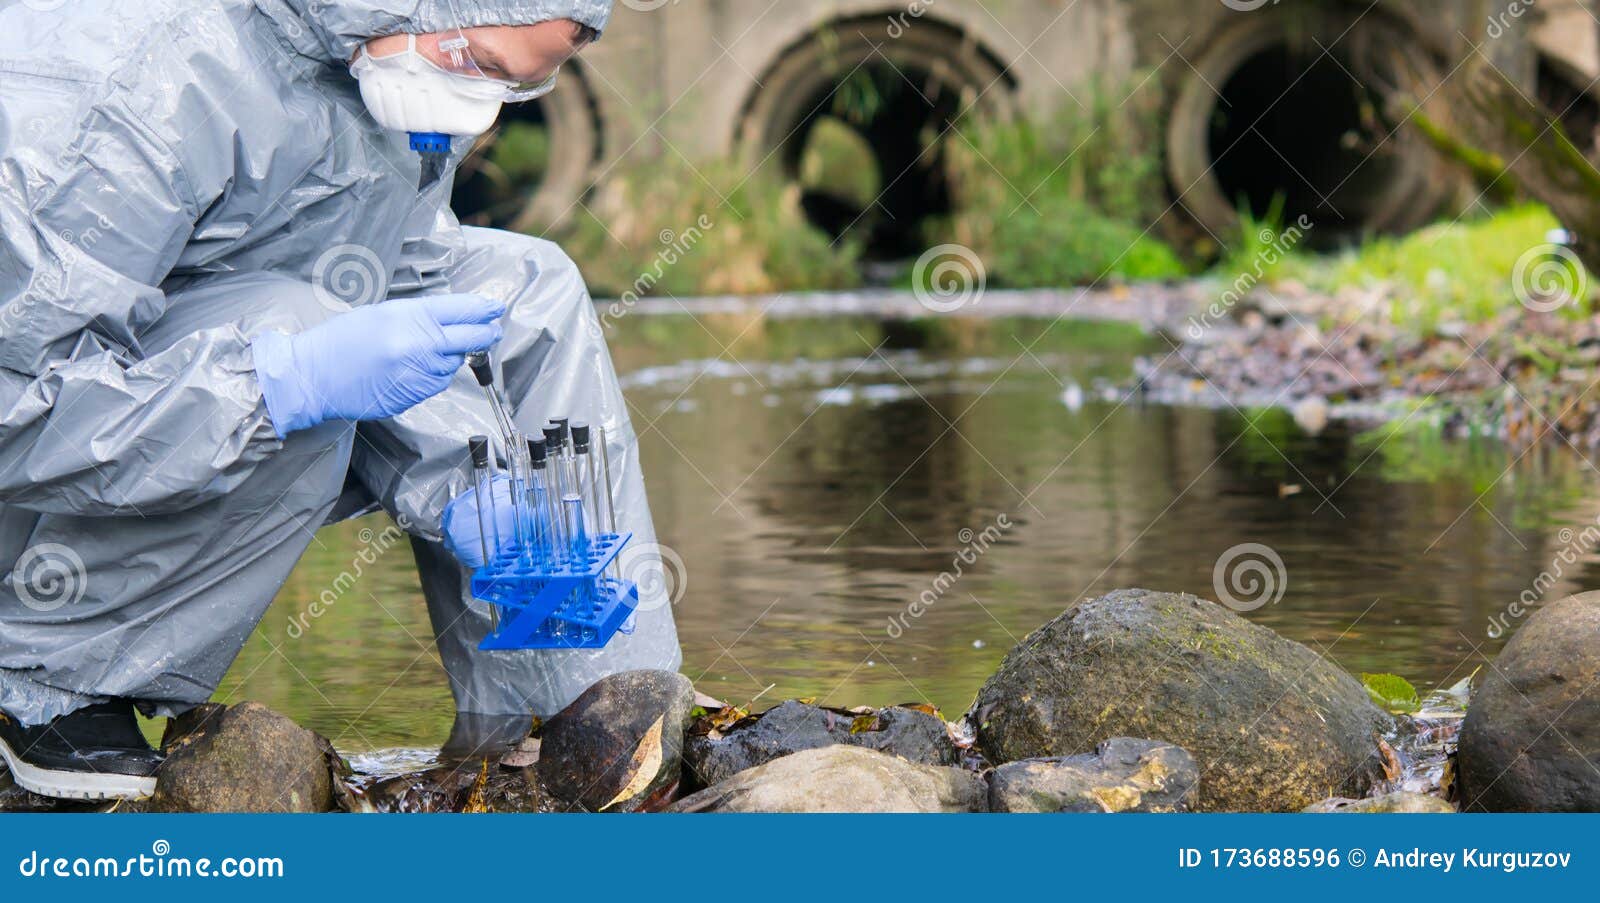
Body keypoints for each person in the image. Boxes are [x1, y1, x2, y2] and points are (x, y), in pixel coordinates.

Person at [0, 0, 679, 801]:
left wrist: (468, 485)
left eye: (518, 89)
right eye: (485, 67)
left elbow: (408, 277)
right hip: (37, 474)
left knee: (532, 292)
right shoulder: (129, 85)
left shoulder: (392, 58)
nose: (480, 108)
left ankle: (589, 712)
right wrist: (284, 382)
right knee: (304, 330)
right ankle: (48, 687)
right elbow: (20, 407)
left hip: (179, 366)